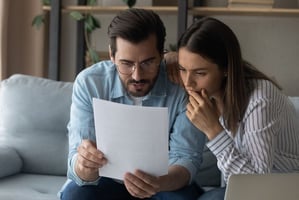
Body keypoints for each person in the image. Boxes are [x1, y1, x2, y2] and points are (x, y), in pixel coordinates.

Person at [59, 8, 206, 200]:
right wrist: (84, 165)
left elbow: (187, 157)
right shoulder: (90, 83)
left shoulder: (180, 83)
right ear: (111, 56)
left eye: (147, 63)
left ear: (162, 55)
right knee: (74, 195)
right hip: (105, 181)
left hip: (164, 182)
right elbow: (77, 161)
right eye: (126, 64)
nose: (137, 75)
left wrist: (158, 183)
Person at [172, 17, 299, 199]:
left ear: (226, 69)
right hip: (239, 184)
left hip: (281, 188)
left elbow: (255, 185)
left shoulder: (260, 100)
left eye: (200, 73)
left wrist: (213, 130)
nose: (187, 82)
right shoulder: (210, 94)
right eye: (182, 69)